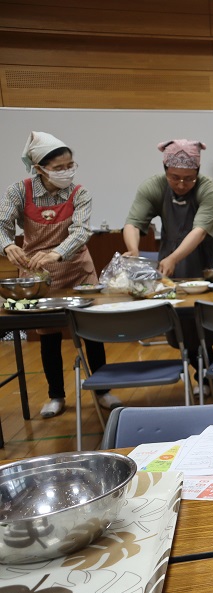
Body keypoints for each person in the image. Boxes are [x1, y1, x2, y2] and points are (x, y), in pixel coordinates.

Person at [122, 139, 213, 397]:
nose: (182, 184)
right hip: (177, 257)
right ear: (165, 169)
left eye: (188, 178)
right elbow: (134, 222)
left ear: (197, 172)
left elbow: (200, 230)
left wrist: (173, 257)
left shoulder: (209, 188)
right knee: (188, 320)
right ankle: (203, 378)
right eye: (175, 178)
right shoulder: (153, 187)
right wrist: (134, 249)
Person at [0, 132, 121, 417]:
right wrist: (6, 245)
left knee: (92, 331)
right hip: (38, 276)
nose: (67, 171)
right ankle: (56, 395)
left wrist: (57, 253)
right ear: (39, 168)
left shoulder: (80, 193)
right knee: (48, 334)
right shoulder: (19, 191)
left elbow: (80, 232)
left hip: (77, 270)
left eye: (70, 165)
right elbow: (1, 226)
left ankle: (103, 390)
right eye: (59, 167)